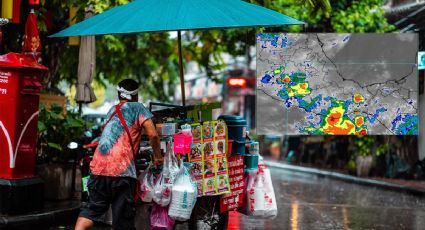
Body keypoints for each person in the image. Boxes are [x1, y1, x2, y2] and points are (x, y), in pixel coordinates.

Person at [75, 79, 163, 230]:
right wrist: (157, 156)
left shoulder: (112, 110)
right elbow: (153, 135)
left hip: (97, 169)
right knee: (122, 220)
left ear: (118, 94)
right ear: (136, 95)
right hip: (121, 171)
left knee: (91, 211)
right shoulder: (138, 108)